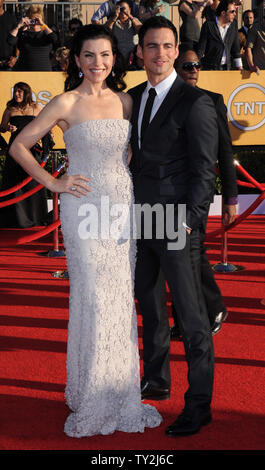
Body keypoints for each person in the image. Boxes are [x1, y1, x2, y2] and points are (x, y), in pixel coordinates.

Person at [8, 24, 162, 438]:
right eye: (89, 55)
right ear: (76, 60)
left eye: (105, 55)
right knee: (92, 295)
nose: (98, 63)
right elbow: (19, 146)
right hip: (82, 210)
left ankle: (118, 390)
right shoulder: (65, 101)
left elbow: (130, 151)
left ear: (116, 59)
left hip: (120, 211)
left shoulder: (126, 101)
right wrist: (55, 183)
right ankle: (92, 394)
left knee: (117, 299)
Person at [128, 16, 218, 436]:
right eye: (151, 46)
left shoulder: (194, 100)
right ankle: (157, 380)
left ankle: (199, 404)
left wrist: (191, 222)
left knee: (192, 317)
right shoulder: (133, 97)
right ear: (140, 51)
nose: (160, 54)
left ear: (177, 48)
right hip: (141, 219)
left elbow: (205, 168)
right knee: (149, 304)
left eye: (167, 46)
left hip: (177, 223)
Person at [170, 48, 238, 340]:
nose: (194, 69)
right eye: (187, 65)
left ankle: (213, 307)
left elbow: (225, 152)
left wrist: (231, 198)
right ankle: (189, 319)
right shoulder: (163, 98)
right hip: (166, 191)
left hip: (197, 193)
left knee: (191, 254)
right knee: (175, 257)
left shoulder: (212, 100)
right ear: (177, 67)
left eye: (197, 65)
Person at [0, 82, 50, 228]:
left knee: (33, 182)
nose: (17, 94)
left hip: (32, 149)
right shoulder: (10, 109)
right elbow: (2, 127)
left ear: (27, 92)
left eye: (20, 92)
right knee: (14, 182)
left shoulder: (36, 107)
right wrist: (7, 127)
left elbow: (46, 124)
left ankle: (36, 217)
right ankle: (15, 220)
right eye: (15, 92)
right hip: (14, 150)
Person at [8, 5, 57, 71]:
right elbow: (10, 41)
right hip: (25, 72)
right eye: (32, 19)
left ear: (42, 19)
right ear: (28, 19)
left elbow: (54, 39)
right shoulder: (23, 34)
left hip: (44, 73)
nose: (35, 22)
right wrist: (19, 26)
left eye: (37, 19)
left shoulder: (46, 33)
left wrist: (43, 25)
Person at [197, 0, 242, 70]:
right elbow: (201, 49)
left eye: (235, 11)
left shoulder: (233, 25)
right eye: (232, 11)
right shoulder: (208, 25)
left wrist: (240, 67)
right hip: (210, 68)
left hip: (227, 68)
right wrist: (197, 66)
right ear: (223, 13)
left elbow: (236, 48)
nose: (235, 14)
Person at [105, 0, 142, 67]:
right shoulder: (113, 21)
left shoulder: (134, 20)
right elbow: (105, 30)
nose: (123, 11)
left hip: (132, 57)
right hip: (118, 57)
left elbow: (141, 29)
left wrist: (130, 16)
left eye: (124, 8)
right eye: (120, 9)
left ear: (130, 9)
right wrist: (115, 16)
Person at [0, 0, 18, 70]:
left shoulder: (11, 18)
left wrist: (16, 57)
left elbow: (17, 39)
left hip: (8, 63)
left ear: (3, 0)